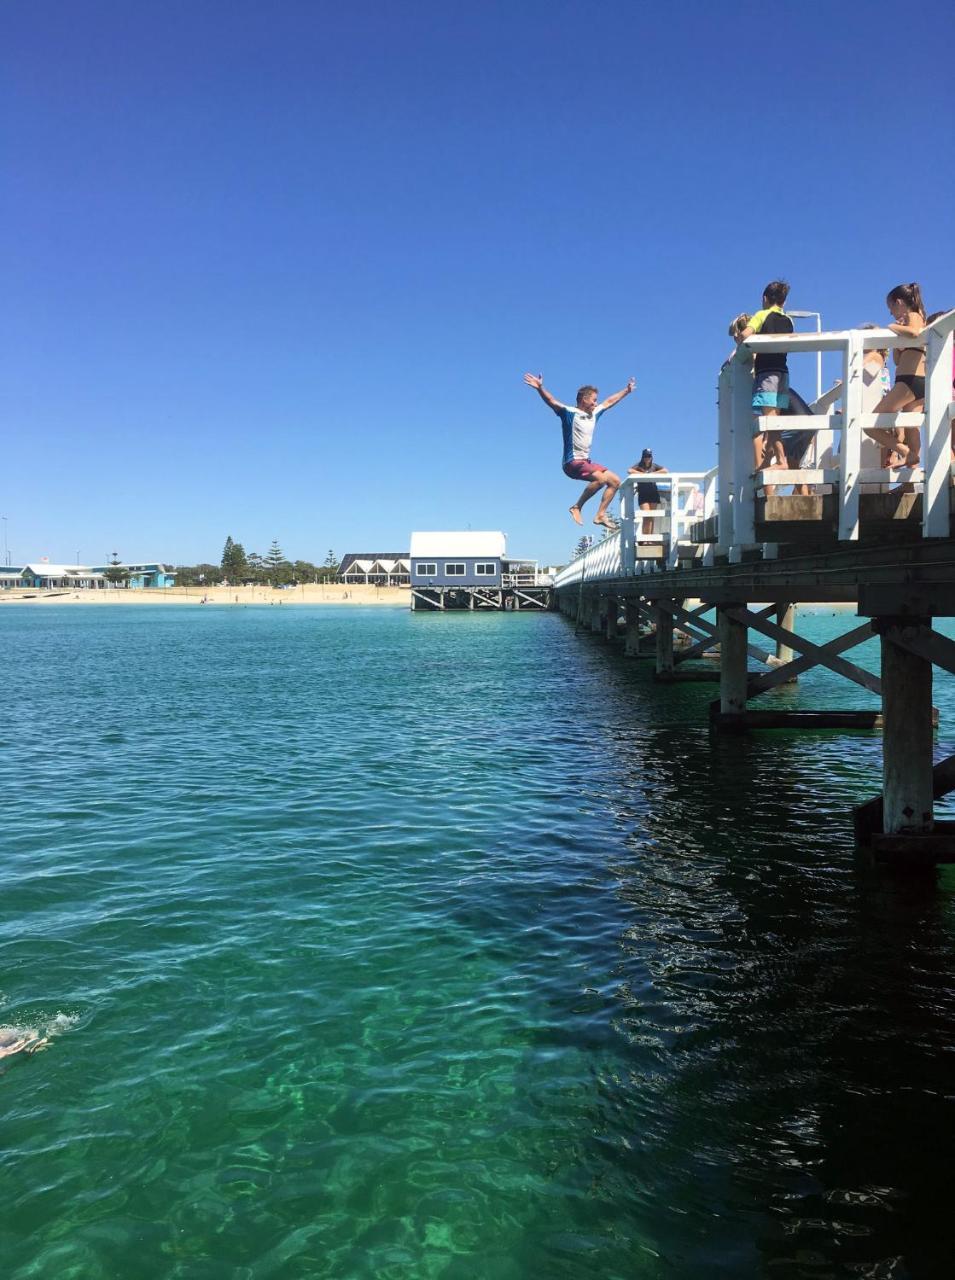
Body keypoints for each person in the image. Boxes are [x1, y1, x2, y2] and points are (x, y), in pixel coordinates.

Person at [523, 373, 635, 527]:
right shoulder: (569, 413)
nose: (596, 403)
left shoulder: (594, 413)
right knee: (601, 480)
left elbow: (609, 401)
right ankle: (577, 507)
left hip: (585, 462)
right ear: (584, 399)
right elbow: (552, 401)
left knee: (615, 481)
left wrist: (626, 391)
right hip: (572, 462)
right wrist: (540, 388)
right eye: (594, 400)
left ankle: (600, 515)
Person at [734, 282, 794, 486]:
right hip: (783, 372)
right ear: (784, 301)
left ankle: (781, 460)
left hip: (767, 373)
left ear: (765, 299)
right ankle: (769, 459)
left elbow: (744, 334)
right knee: (774, 416)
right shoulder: (788, 319)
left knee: (769, 419)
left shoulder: (762, 314)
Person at [864, 283, 927, 467]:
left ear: (898, 302)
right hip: (914, 381)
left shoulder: (914, 315)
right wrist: (897, 340)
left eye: (891, 308)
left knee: (870, 424)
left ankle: (906, 453)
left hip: (909, 381)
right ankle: (910, 478)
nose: (891, 313)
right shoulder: (908, 321)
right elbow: (898, 360)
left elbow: (915, 332)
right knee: (911, 429)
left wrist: (892, 327)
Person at [628, 448, 667, 537]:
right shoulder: (639, 465)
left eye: (649, 456)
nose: (647, 458)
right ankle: (644, 539)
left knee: (651, 516)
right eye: (645, 456)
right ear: (642, 457)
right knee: (646, 515)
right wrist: (642, 475)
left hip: (653, 492)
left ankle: (649, 539)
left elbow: (665, 470)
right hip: (643, 493)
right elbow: (629, 470)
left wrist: (652, 474)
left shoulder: (654, 466)